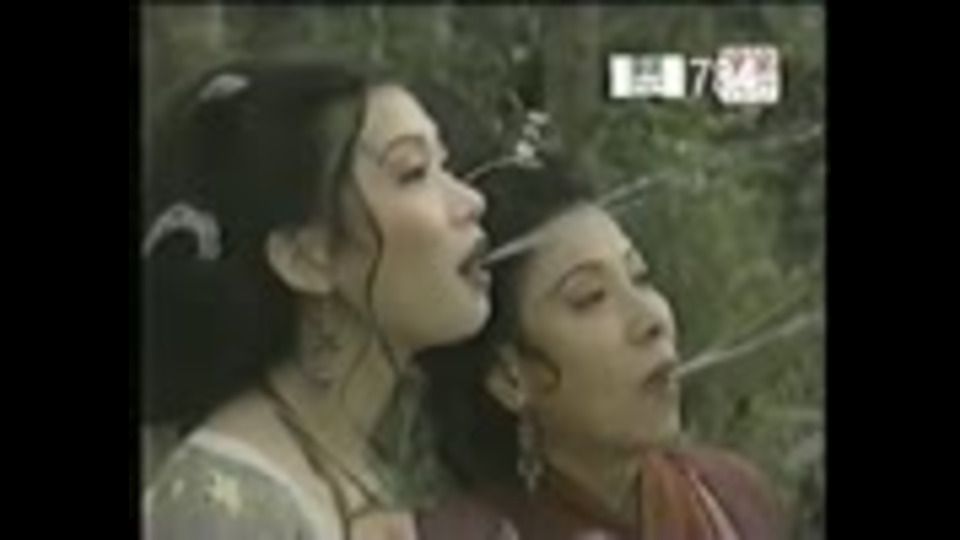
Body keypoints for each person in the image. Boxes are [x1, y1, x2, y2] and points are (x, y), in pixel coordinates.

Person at [141, 58, 495, 539]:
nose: (472, 202)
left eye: (445, 166)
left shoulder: (368, 464)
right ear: (307, 258)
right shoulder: (227, 500)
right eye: (413, 172)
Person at [407, 149, 786, 539]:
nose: (651, 320)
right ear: (509, 376)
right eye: (589, 297)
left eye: (640, 277)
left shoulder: (731, 498)